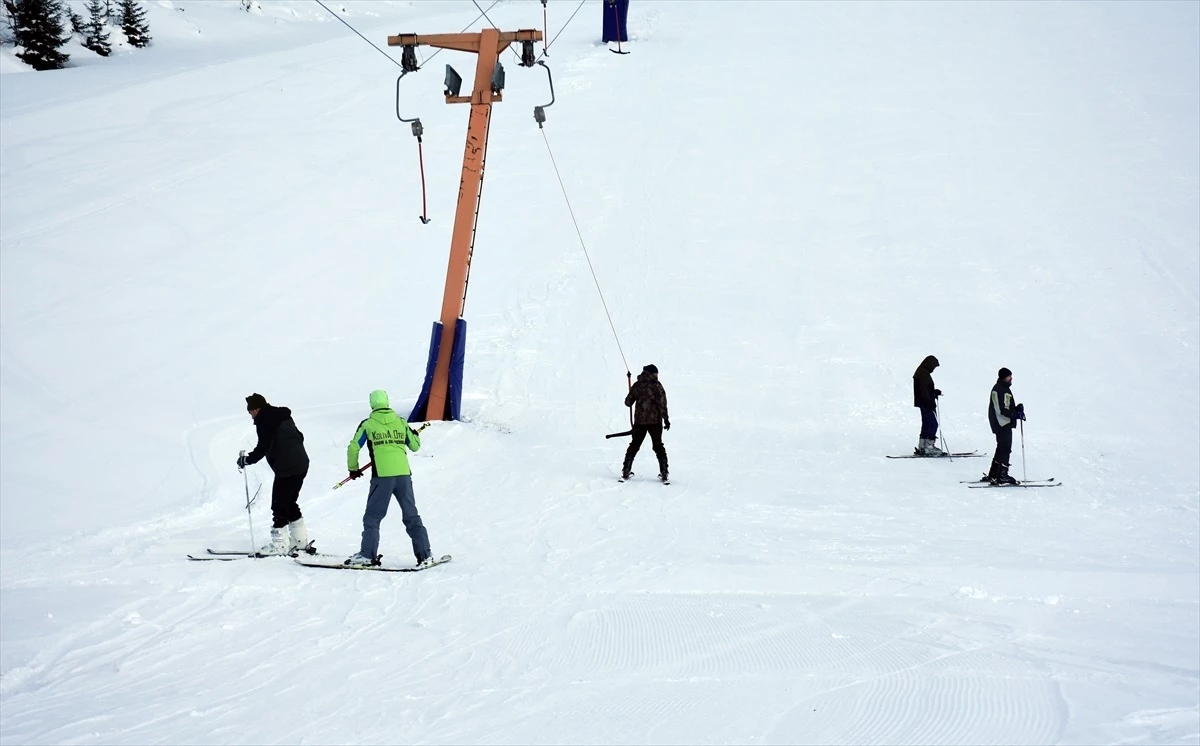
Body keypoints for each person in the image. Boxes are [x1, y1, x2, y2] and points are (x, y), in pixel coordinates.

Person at [344, 389, 434, 568]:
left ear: (372, 404)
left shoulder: (368, 424)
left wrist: (353, 470)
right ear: (387, 402)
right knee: (411, 516)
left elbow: (353, 448)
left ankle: (367, 555)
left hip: (382, 477)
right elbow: (415, 446)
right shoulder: (401, 422)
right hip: (403, 476)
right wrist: (413, 435)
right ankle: (425, 554)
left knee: (372, 517)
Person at [238, 393, 310, 554]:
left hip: (287, 468)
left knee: (279, 505)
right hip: (301, 464)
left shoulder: (265, 420)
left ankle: (280, 545)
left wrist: (247, 460)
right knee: (290, 502)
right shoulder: (282, 415)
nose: (251, 416)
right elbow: (300, 436)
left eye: (250, 412)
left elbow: (263, 446)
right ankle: (300, 541)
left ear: (256, 409)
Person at [622, 364, 671, 482]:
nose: (657, 376)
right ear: (652, 373)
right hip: (655, 422)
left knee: (634, 445)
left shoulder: (637, 385)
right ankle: (664, 472)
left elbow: (628, 402)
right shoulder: (657, 386)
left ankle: (626, 470)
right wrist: (666, 419)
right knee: (658, 446)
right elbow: (662, 403)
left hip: (640, 422)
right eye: (656, 373)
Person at [987, 368, 1024, 484]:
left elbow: (1006, 406)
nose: (1011, 378)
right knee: (1005, 448)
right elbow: (1001, 410)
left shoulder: (1004, 388)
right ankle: (1002, 475)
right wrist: (1014, 414)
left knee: (1001, 447)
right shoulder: (998, 389)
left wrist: (1016, 409)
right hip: (1002, 423)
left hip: (1004, 422)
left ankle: (994, 473)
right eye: (1009, 376)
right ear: (1004, 377)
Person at [912, 355, 944, 456]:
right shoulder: (923, 374)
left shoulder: (921, 372)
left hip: (923, 402)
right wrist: (930, 401)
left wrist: (933, 392)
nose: (933, 369)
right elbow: (924, 390)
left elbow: (925, 389)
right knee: (933, 423)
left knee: (926, 423)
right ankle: (929, 447)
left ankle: (922, 446)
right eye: (933, 367)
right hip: (926, 403)